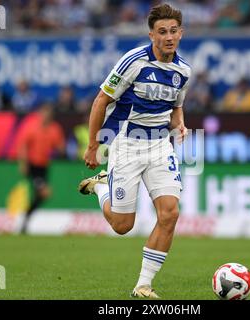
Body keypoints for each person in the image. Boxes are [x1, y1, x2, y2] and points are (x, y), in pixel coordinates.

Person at [77, 3, 190, 299]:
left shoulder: (184, 71)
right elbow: (101, 100)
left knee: (170, 214)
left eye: (174, 31)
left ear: (181, 33)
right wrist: (93, 145)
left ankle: (143, 286)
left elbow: (176, 107)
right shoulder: (133, 61)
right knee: (123, 225)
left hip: (159, 146)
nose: (169, 37)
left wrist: (180, 124)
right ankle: (101, 188)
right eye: (162, 31)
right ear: (152, 34)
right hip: (127, 143)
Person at [18, 102, 65, 234]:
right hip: (33, 165)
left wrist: (61, 149)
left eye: (49, 113)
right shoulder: (32, 127)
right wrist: (23, 164)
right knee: (44, 192)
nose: (46, 115)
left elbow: (60, 147)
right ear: (40, 113)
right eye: (44, 112)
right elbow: (24, 146)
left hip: (44, 166)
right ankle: (26, 217)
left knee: (41, 195)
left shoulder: (55, 129)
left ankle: (26, 217)